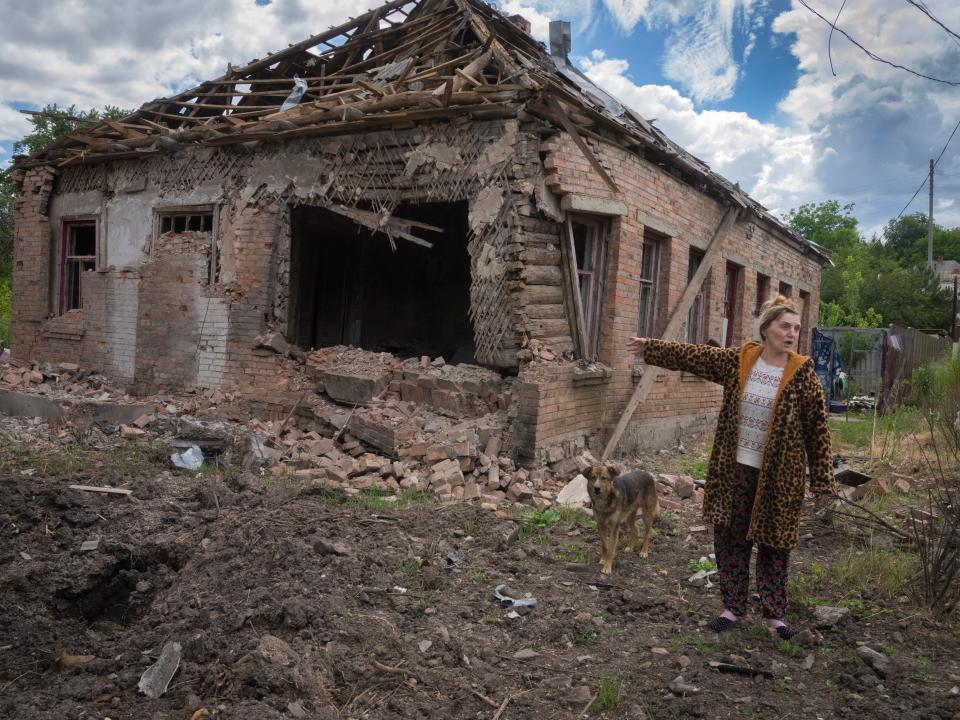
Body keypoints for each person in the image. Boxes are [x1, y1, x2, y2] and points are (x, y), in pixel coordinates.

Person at [626, 295, 835, 639]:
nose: (792, 333)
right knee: (730, 538)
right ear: (766, 329)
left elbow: (818, 430)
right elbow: (695, 357)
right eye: (785, 326)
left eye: (796, 328)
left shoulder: (803, 374)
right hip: (735, 470)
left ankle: (775, 616)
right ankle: (733, 608)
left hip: (780, 478)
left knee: (775, 543)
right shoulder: (741, 361)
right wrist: (650, 347)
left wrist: (824, 481)